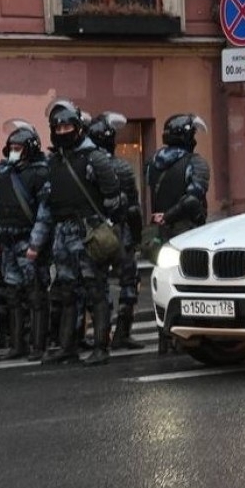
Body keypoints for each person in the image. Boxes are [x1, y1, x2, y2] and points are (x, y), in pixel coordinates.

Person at [32, 101, 120, 366]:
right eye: (58, 127)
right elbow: (46, 206)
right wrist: (37, 242)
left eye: (67, 126)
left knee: (96, 290)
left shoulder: (95, 158)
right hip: (62, 233)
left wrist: (102, 224)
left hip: (88, 232)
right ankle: (67, 346)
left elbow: (114, 198)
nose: (63, 131)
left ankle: (101, 347)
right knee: (66, 291)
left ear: (79, 127)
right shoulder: (54, 162)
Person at [0, 123, 50, 360]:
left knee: (35, 295)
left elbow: (44, 213)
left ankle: (37, 345)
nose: (14, 151)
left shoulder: (40, 174)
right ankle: (17, 344)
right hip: (6, 242)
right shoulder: (3, 174)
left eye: (18, 147)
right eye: (11, 147)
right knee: (13, 295)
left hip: (27, 242)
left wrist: (35, 244)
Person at [146, 113, 210, 354]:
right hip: (187, 230)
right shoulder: (196, 163)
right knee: (190, 284)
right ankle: (189, 335)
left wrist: (163, 217)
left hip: (161, 231)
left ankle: (164, 337)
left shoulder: (153, 161)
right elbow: (193, 199)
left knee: (163, 282)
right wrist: (172, 215)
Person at [88, 112, 145, 351]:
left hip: (95, 234)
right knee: (128, 282)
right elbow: (133, 207)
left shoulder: (87, 167)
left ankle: (100, 334)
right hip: (121, 232)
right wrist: (137, 236)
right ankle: (123, 331)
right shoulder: (122, 167)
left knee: (95, 284)